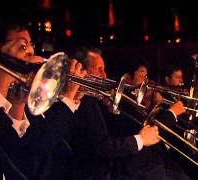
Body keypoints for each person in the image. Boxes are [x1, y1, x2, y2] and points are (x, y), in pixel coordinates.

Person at [0, 18, 84, 179]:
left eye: (30, 45)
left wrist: (18, 103)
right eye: (21, 46)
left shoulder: (18, 89)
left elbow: (24, 155)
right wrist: (3, 72)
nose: (30, 52)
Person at [65, 47, 161, 179]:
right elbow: (100, 147)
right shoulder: (80, 103)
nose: (104, 75)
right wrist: (140, 140)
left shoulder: (93, 100)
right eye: (99, 69)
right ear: (81, 70)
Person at [111, 57, 190, 180]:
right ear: (126, 77)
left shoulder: (139, 100)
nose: (146, 80)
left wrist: (154, 106)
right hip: (137, 168)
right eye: (142, 73)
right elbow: (147, 130)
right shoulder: (120, 102)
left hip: (152, 161)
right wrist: (171, 113)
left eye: (146, 75)